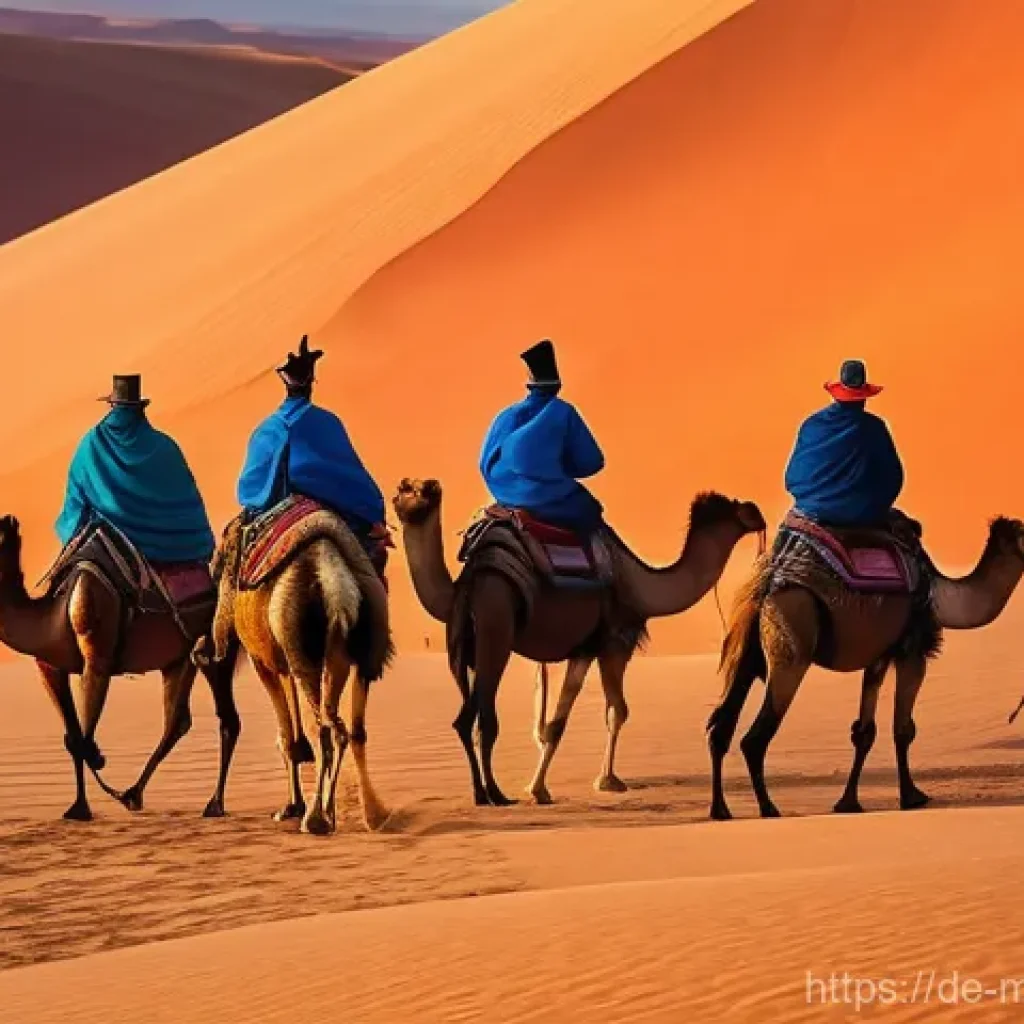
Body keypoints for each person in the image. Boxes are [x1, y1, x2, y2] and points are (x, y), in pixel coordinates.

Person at [236, 335, 389, 573]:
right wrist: (374, 516)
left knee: (233, 557)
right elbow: (352, 477)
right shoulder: (328, 422)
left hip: (273, 512)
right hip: (332, 512)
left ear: (285, 383)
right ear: (311, 382)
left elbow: (249, 489)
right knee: (374, 558)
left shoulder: (265, 429)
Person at [56, 374, 214, 565]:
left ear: (112, 406)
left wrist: (70, 531)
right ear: (140, 409)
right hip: (178, 548)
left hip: (111, 547)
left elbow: (75, 505)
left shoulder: (90, 445)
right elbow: (189, 504)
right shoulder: (166, 446)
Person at [479, 339, 605, 535]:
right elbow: (592, 462)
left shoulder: (506, 416)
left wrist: (507, 484)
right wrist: (556, 468)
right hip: (550, 501)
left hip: (505, 497)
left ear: (530, 380)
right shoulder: (563, 412)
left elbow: (485, 462)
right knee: (591, 510)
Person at [784, 359, 904, 529]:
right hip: (861, 513)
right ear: (864, 397)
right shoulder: (873, 427)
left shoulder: (812, 424)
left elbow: (793, 477)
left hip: (809, 508)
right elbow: (893, 477)